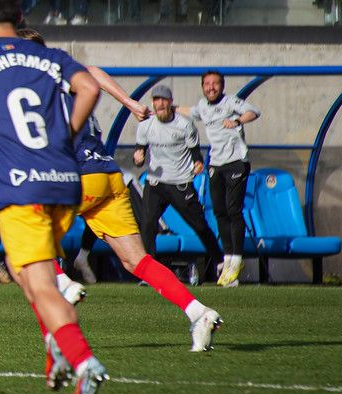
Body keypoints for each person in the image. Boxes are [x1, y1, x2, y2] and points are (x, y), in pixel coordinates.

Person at [0, 0, 109, 394]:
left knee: (39, 282)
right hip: (64, 183)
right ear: (19, 16)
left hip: (20, 188)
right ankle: (55, 344)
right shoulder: (50, 55)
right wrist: (63, 135)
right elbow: (89, 88)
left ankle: (83, 360)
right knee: (28, 274)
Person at [55, 51, 221, 351]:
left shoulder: (38, 81)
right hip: (110, 175)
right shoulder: (67, 80)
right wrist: (129, 103)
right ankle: (199, 312)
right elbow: (92, 71)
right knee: (137, 260)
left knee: (23, 230)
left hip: (81, 176)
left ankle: (65, 285)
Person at [131, 86, 225, 279]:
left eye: (164, 100)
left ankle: (220, 263)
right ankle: (149, 273)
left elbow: (195, 153)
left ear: (170, 102)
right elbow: (139, 153)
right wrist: (138, 159)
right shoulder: (145, 125)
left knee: (199, 225)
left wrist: (198, 163)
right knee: (148, 224)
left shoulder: (184, 125)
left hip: (180, 182)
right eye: (156, 100)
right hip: (155, 183)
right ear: (153, 103)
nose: (160, 104)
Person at [187, 71, 258, 288]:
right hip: (215, 164)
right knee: (219, 211)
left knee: (233, 209)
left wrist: (237, 120)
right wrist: (167, 108)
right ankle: (227, 259)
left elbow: (253, 111)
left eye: (215, 84)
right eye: (207, 84)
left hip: (236, 162)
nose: (211, 88)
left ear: (221, 86)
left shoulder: (230, 102)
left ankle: (237, 260)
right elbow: (189, 112)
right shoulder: (202, 106)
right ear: (202, 87)